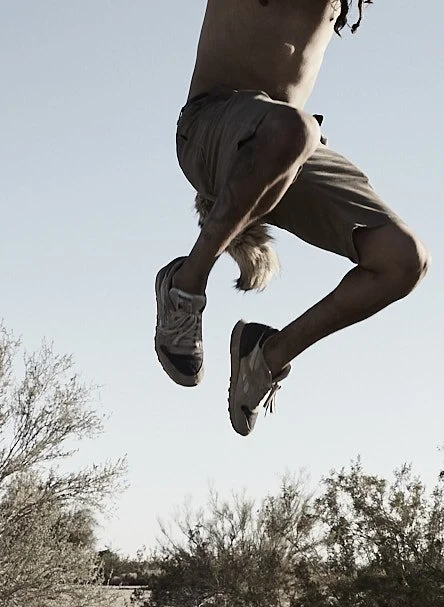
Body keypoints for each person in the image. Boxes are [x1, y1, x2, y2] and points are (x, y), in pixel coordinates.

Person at [155, 0, 428, 435]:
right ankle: (184, 288)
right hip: (209, 128)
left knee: (404, 260)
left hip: (287, 150)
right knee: (295, 129)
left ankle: (266, 355)